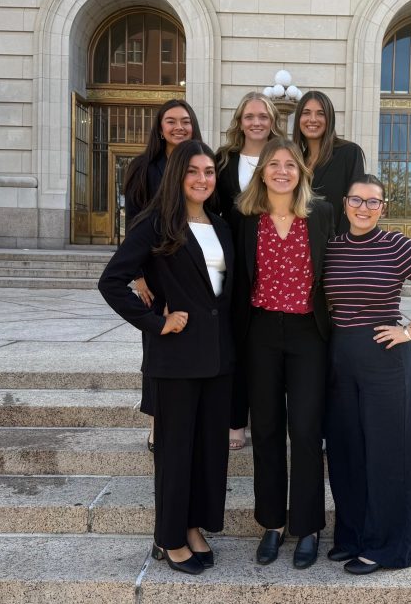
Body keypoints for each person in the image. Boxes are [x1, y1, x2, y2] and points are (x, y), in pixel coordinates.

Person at [98, 140, 234, 576]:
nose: (202, 179)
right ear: (178, 174)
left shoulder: (219, 224)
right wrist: (157, 322)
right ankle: (168, 537)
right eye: (193, 171)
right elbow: (111, 282)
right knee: (175, 452)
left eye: (209, 172)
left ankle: (193, 526)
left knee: (208, 452)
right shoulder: (155, 224)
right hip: (175, 359)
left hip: (216, 361)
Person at [323, 175, 411, 575]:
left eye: (373, 202)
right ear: (345, 203)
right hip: (339, 356)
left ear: (384, 207)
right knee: (346, 452)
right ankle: (351, 536)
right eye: (356, 200)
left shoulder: (396, 245)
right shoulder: (330, 246)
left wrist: (409, 330)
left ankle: (385, 548)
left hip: (385, 357)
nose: (364, 208)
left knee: (386, 454)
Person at [233, 138, 334, 570]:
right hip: (260, 332)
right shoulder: (244, 219)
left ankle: (308, 525)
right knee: (269, 431)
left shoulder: (321, 214)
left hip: (308, 332)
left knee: (307, 430)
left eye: (289, 164)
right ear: (262, 173)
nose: (281, 170)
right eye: (273, 164)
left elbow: (340, 267)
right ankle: (272, 523)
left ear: (301, 173)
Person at [122, 100, 203, 452]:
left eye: (185, 121)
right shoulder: (143, 168)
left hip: (193, 273)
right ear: (159, 128)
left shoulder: (203, 163)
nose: (179, 127)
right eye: (170, 121)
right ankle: (158, 425)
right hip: (156, 274)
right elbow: (133, 224)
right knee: (157, 350)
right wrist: (139, 276)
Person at [216, 91, 286, 451]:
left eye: (263, 116)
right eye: (249, 116)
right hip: (234, 262)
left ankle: (272, 419)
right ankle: (234, 421)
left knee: (267, 344)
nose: (256, 122)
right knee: (237, 340)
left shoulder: (284, 156)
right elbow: (212, 209)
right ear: (239, 121)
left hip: (278, 261)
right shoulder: (224, 159)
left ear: (273, 120)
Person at [292, 90, 365, 235]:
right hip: (300, 248)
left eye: (320, 113)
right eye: (306, 113)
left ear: (329, 119)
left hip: (336, 246)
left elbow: (356, 204)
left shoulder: (349, 153)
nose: (312, 119)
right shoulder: (294, 161)